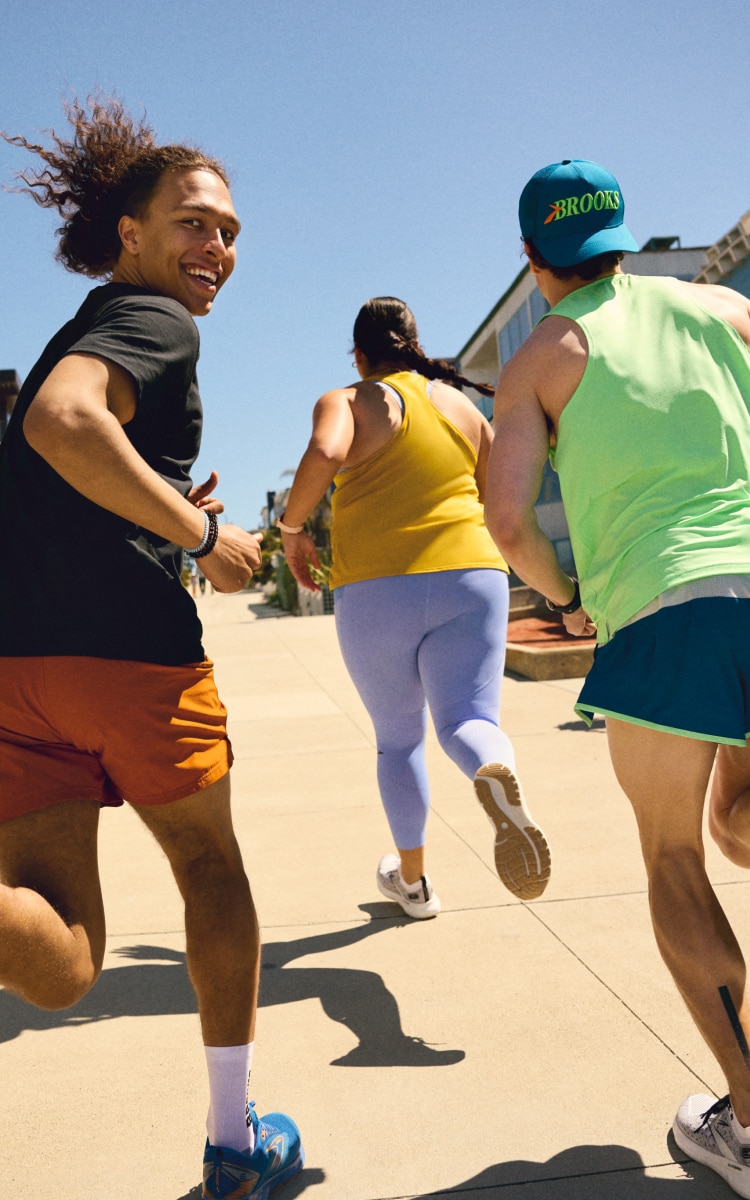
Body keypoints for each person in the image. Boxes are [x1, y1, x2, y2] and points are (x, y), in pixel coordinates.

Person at [0, 96, 303, 1199]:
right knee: (210, 867)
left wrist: (158, 501)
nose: (216, 246)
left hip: (18, 670)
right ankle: (234, 1145)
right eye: (193, 222)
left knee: (66, 963)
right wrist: (207, 532)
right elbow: (64, 426)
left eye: (228, 229)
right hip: (128, 659)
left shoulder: (79, 324)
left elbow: (52, 462)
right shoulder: (152, 321)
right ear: (132, 232)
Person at [484, 157, 750, 1198]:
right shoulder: (725, 307)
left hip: (660, 606)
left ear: (532, 256)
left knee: (679, 854)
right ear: (622, 234)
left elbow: (508, 520)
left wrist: (564, 596)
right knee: (741, 821)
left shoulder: (543, 354)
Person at [278, 296, 550, 919]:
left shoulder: (348, 400)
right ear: (415, 345)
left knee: (399, 739)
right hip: (473, 575)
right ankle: (493, 766)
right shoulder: (460, 406)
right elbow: (500, 500)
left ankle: (416, 884)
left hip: (379, 587)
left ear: (359, 354)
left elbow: (324, 454)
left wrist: (294, 530)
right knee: (467, 721)